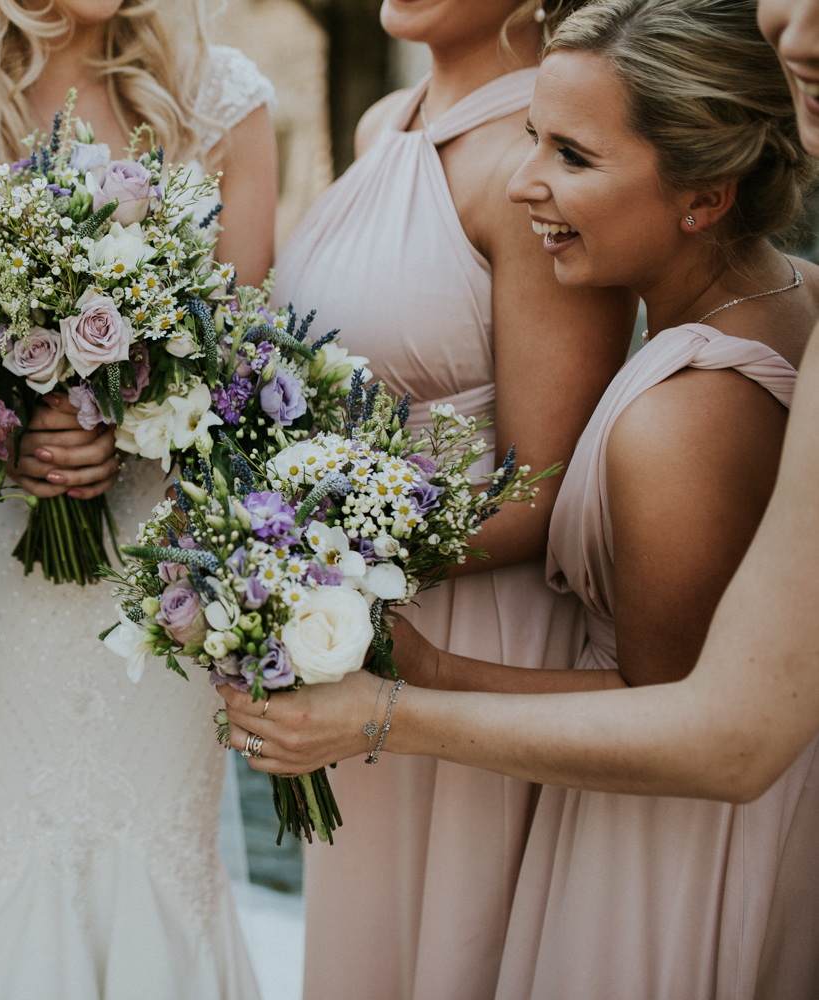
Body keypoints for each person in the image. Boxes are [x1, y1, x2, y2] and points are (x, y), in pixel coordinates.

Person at [231, 1, 819, 995]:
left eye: (573, 157)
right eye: (533, 136)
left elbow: (671, 712)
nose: (523, 178)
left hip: (656, 864)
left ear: (705, 197)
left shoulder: (683, 418)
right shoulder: (784, 298)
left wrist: (416, 686)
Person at [0, 0, 277, 995]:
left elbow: (246, 343)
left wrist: (125, 408)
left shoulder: (220, 101)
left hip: (155, 564)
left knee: (153, 848)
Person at [265, 1, 637, 996]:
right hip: (361, 618)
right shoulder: (384, 122)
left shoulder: (538, 162)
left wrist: (318, 562)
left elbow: (543, 484)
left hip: (476, 634)